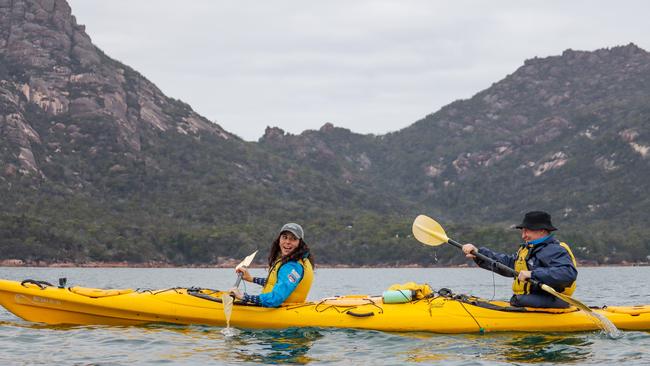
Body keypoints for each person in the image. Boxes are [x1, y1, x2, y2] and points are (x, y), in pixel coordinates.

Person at [461, 211, 578, 308]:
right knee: (518, 300)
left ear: (542, 230)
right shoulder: (528, 249)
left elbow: (568, 273)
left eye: (527, 230)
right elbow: (508, 265)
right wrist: (479, 254)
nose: (523, 235)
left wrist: (533, 274)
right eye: (523, 231)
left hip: (554, 298)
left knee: (519, 300)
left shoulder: (553, 249)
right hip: (531, 298)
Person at [229, 223, 314, 307]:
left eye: (293, 239)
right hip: (281, 308)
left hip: (282, 312)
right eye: (284, 237)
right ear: (279, 239)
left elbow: (276, 299)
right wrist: (251, 279)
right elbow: (276, 283)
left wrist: (243, 297)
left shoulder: (293, 267)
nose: (287, 242)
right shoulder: (297, 260)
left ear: (300, 243)